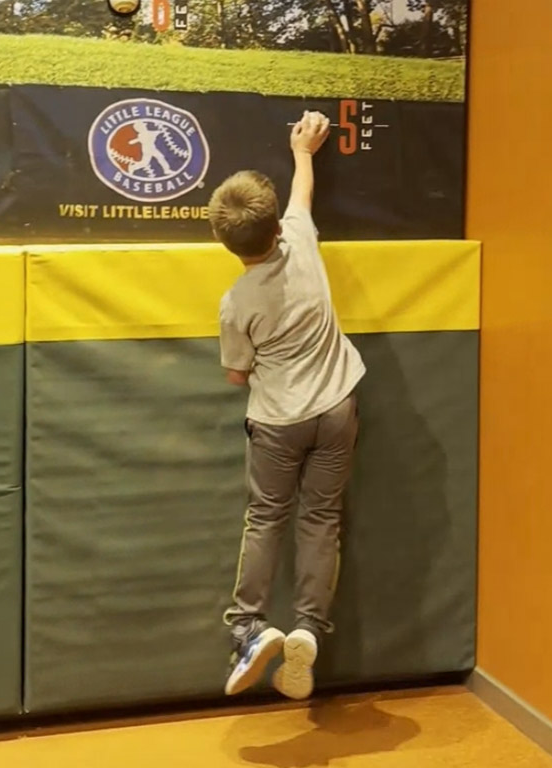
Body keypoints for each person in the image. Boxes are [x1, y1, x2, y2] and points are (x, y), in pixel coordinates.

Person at [208, 111, 366, 701]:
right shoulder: (300, 240)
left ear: (225, 243)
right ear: (276, 227)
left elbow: (235, 373)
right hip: (338, 407)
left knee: (267, 518)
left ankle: (249, 628)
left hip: (279, 422)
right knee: (322, 519)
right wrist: (303, 150)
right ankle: (307, 628)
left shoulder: (236, 302)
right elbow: (301, 194)